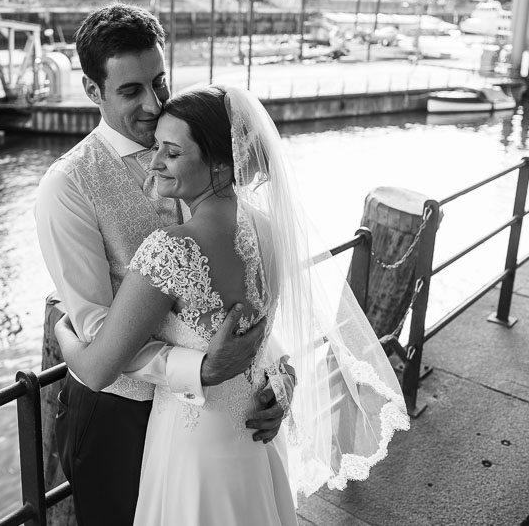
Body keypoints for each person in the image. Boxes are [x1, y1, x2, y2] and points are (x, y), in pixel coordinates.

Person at [55, 85, 411, 525]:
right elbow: (262, 336)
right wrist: (281, 384)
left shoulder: (171, 251)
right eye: (157, 149)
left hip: (193, 448)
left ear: (221, 168)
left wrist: (61, 327)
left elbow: (94, 370)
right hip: (253, 435)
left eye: (171, 152)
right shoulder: (266, 228)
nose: (154, 162)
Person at [33, 3, 288, 526]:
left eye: (159, 81)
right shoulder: (68, 186)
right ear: (91, 91)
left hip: (220, 417)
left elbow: (248, 302)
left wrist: (276, 381)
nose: (153, 104)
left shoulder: (199, 138)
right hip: (118, 416)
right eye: (130, 91)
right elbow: (98, 331)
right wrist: (199, 368)